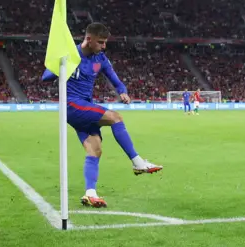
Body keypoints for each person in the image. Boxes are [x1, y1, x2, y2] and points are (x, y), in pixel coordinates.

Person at [41, 22, 162, 208]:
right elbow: (45, 77)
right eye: (101, 42)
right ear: (89, 39)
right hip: (71, 105)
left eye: (105, 42)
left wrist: (123, 91)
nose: (104, 46)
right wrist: (61, 64)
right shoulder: (71, 55)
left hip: (85, 106)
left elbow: (117, 81)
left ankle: (90, 194)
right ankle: (138, 162)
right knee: (115, 117)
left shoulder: (101, 59)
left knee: (95, 149)